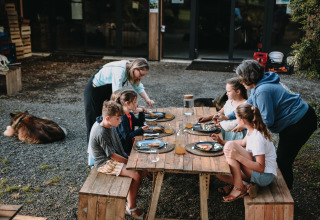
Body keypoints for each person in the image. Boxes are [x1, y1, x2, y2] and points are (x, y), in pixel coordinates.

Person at [216, 60, 317, 189]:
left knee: (283, 160)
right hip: (299, 117)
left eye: (241, 79)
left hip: (300, 122)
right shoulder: (261, 82)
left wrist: (246, 125)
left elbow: (267, 120)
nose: (240, 82)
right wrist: (228, 116)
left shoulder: (263, 90)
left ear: (249, 77)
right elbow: (249, 104)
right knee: (280, 158)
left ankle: (284, 194)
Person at [88, 100, 147, 220]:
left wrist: (129, 159)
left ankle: (130, 196)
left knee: (143, 169)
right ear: (108, 118)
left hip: (112, 158)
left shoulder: (109, 124)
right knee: (135, 174)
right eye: (118, 119)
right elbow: (112, 156)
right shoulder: (101, 132)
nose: (120, 121)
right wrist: (129, 161)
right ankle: (131, 208)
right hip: (104, 163)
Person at [211, 103, 277, 202]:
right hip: (254, 171)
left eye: (236, 118)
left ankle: (238, 188)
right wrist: (221, 142)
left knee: (229, 147)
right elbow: (242, 142)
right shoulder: (252, 129)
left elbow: (260, 167)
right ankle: (247, 186)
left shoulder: (257, 138)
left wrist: (238, 157)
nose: (236, 120)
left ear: (242, 121)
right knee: (219, 173)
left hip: (263, 176)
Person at [84, 58, 155, 142]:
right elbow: (118, 95)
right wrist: (131, 109)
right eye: (141, 74)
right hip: (94, 92)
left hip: (107, 90)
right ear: (135, 69)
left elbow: (138, 86)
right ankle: (92, 149)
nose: (141, 77)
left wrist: (147, 99)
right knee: (95, 121)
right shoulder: (119, 71)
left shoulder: (130, 68)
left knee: (109, 119)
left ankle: (108, 144)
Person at [113, 89, 150, 154]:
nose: (137, 104)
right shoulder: (122, 118)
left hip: (130, 145)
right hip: (125, 150)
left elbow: (139, 122)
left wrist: (141, 111)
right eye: (135, 102)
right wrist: (140, 129)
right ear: (127, 103)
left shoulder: (129, 114)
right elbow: (127, 136)